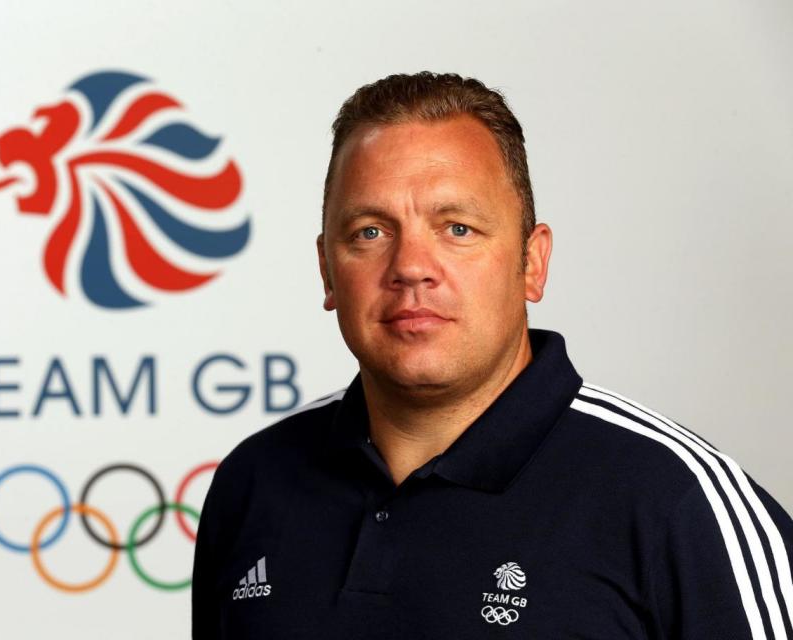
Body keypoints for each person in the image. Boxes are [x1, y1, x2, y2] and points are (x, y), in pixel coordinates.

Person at [191, 72, 793, 639]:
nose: (411, 269)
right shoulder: (253, 483)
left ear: (531, 263)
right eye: (370, 232)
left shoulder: (679, 501)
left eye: (457, 229)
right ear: (327, 269)